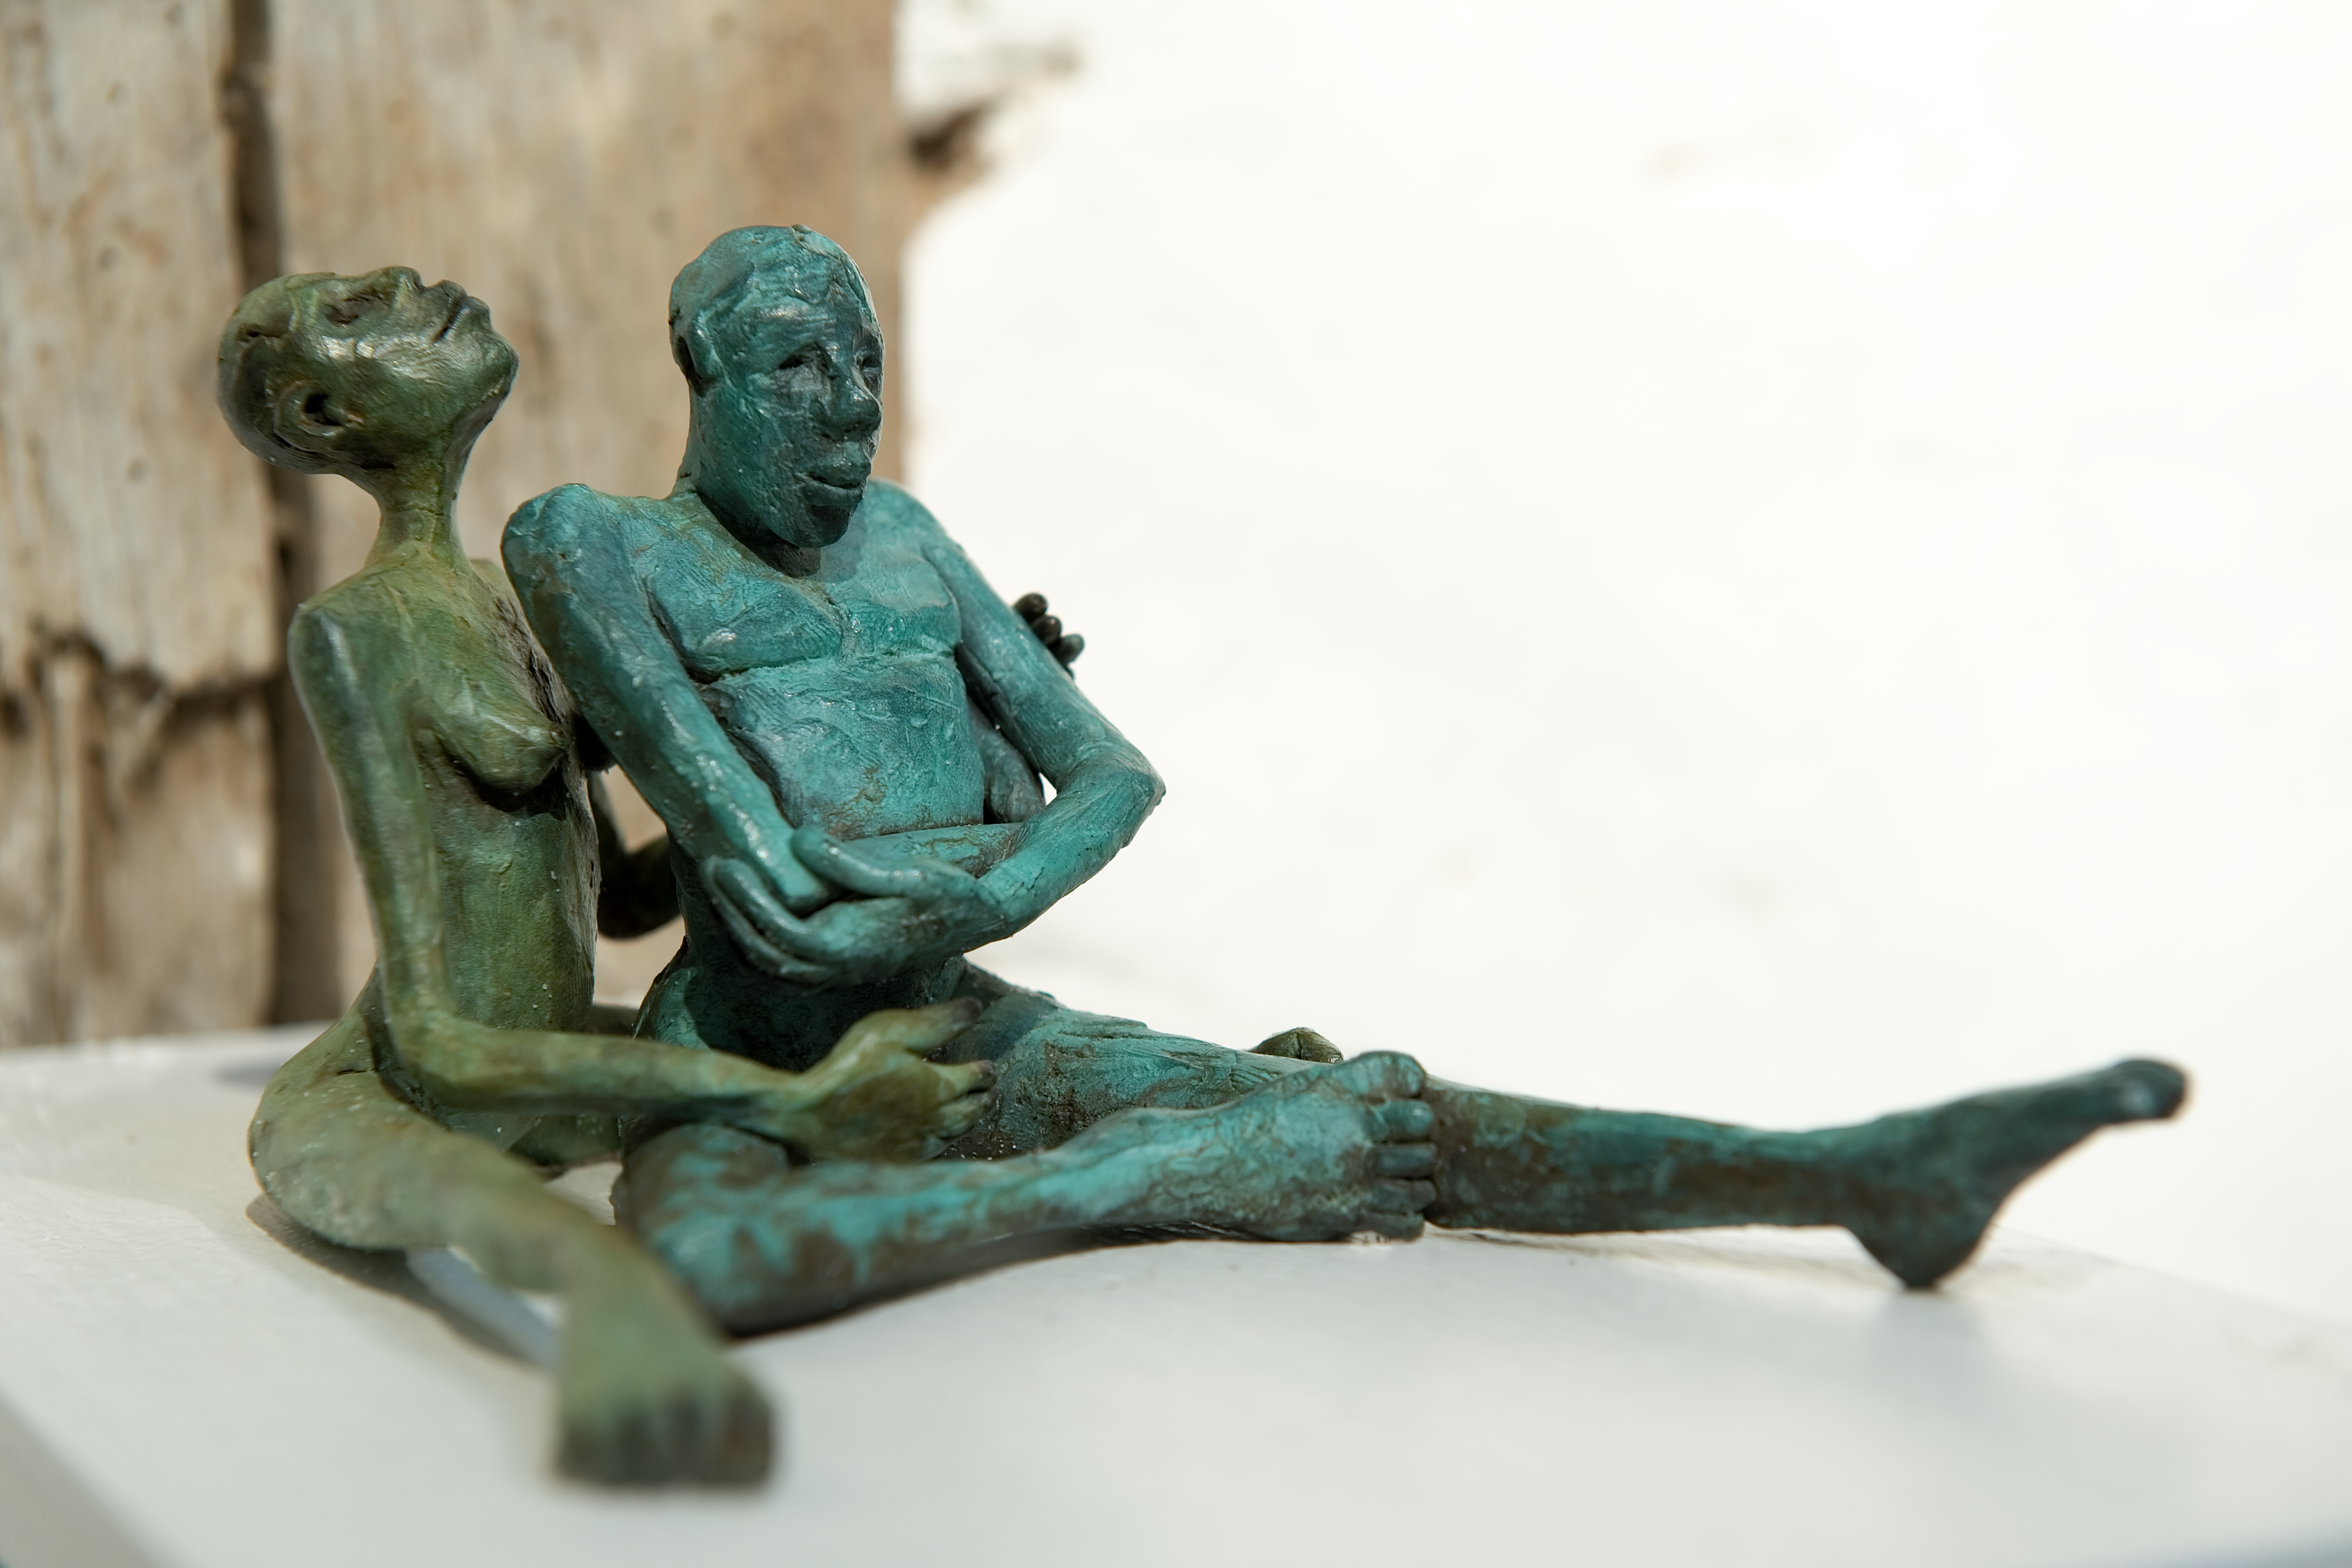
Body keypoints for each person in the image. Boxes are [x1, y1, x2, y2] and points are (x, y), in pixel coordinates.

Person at [501, 225, 2186, 1338]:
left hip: (968, 1025)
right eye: (798, 367)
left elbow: (1112, 773)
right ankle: (1147, 1171)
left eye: (865, 362)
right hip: (752, 1062)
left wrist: (983, 887)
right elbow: (769, 876)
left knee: (1387, 1123)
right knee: (708, 1252)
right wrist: (1136, 1152)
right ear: (702, 370)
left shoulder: (906, 538)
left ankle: (1856, 1173)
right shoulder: (594, 538)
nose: (849, 408)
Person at [219, 267, 1002, 1485]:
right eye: (361, 310)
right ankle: (614, 1319)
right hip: (398, 1094)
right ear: (323, 417)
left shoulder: (512, 603)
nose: (421, 285)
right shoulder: (357, 628)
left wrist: (903, 734)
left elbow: (626, 899)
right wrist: (783, 1098)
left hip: (547, 1069)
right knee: (500, 1207)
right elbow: (437, 1045)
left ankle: (1177, 1097)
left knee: (897, 1072)